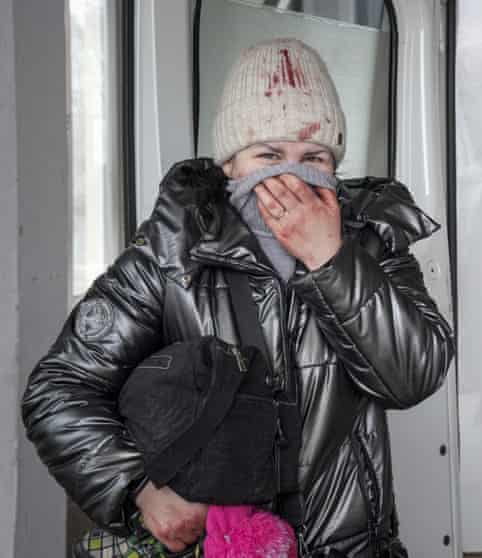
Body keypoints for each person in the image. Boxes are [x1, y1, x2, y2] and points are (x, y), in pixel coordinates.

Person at [22, 38, 454, 557]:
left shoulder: (372, 239)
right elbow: (59, 387)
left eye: (313, 156)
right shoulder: (169, 253)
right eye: (268, 155)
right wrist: (137, 486)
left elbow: (415, 375)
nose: (290, 176)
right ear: (230, 164)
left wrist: (332, 260)